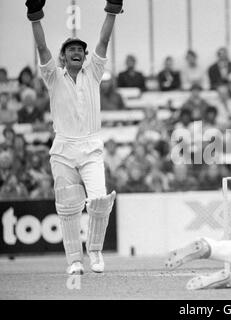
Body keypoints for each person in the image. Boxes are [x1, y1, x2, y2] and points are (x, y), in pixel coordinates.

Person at [26, 0, 122, 275]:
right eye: (71, 50)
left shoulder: (93, 72)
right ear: (64, 57)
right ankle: (75, 262)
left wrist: (112, 9)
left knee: (100, 201)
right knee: (68, 208)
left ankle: (95, 252)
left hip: (91, 147)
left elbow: (103, 40)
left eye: (80, 49)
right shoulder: (53, 77)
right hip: (64, 147)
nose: (77, 52)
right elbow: (42, 48)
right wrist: (35, 17)